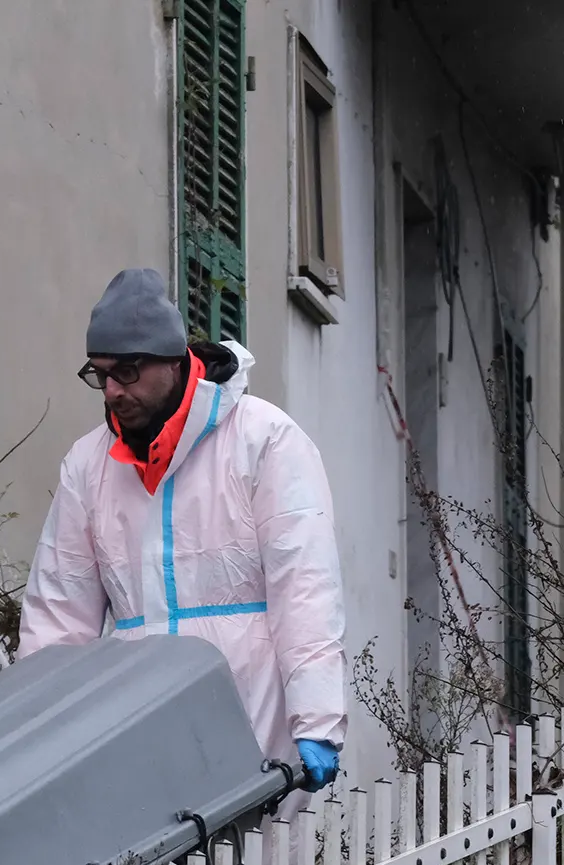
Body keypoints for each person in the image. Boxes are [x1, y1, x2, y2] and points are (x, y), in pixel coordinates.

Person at [18, 268, 349, 793]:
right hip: (136, 728)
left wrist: (317, 720)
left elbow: (304, 589)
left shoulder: (264, 440)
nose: (110, 391)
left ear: (173, 362)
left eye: (125, 372)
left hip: (255, 714)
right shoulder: (89, 465)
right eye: (99, 374)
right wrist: (39, 743)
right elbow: (58, 618)